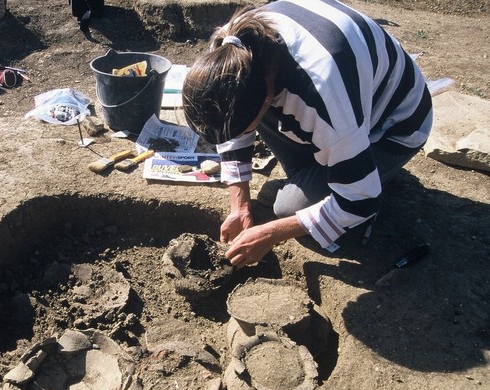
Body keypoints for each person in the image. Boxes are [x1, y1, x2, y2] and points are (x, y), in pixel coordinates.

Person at [182, 0, 433, 268]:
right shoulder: (232, 47)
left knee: (289, 209)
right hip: (345, 113)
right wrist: (239, 205)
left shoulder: (321, 91)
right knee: (304, 182)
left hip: (393, 128)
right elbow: (231, 116)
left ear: (267, 99)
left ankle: (367, 169)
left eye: (247, 128)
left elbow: (361, 201)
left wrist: (271, 234)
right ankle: (344, 166)